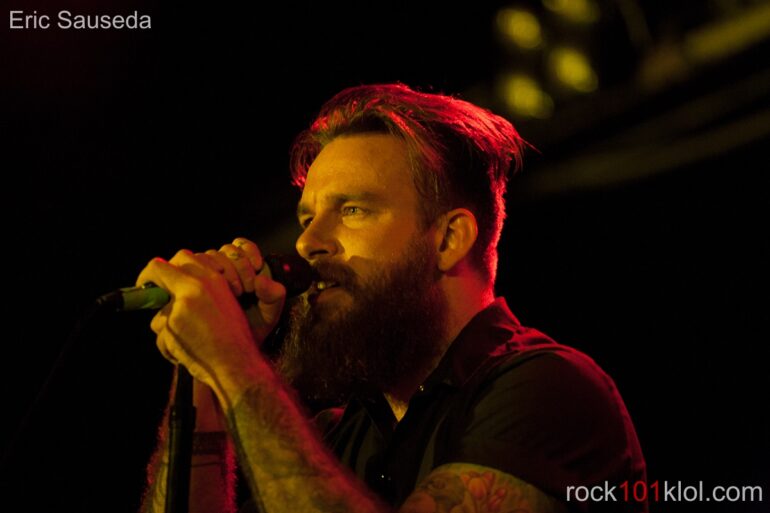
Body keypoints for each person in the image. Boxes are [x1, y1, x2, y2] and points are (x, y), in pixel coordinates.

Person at [137, 84, 647, 513]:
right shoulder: (339, 434)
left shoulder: (550, 389)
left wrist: (234, 363)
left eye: (353, 210)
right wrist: (204, 379)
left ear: (448, 240)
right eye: (307, 218)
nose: (308, 243)